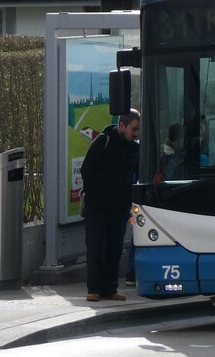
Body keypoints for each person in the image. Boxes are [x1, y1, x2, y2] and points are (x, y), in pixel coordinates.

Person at [80, 109, 140, 303]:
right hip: (97, 207)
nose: (136, 134)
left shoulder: (135, 148)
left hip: (120, 208)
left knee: (114, 248)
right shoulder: (103, 141)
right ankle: (94, 289)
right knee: (96, 247)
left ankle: (110, 288)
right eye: (133, 129)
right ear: (122, 126)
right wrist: (94, 195)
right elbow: (86, 169)